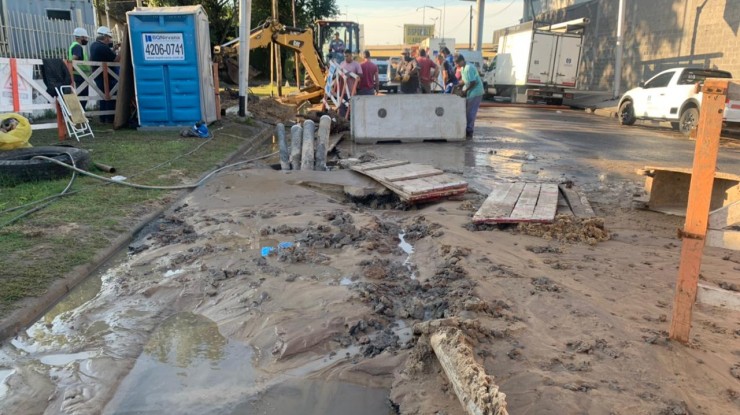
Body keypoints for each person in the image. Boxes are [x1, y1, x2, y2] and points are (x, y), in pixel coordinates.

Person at [89, 26, 120, 123]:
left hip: (98, 75)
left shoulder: (93, 45)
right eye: (109, 37)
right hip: (106, 76)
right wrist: (122, 51)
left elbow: (106, 56)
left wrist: (113, 49)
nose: (110, 39)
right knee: (109, 96)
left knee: (102, 96)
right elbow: (115, 60)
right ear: (105, 37)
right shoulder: (103, 47)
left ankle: (103, 118)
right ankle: (110, 118)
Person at [456, 54, 484, 139]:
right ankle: (467, 129)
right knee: (467, 111)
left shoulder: (469, 68)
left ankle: (469, 131)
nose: (456, 64)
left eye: (457, 62)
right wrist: (458, 85)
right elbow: (465, 80)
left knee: (471, 112)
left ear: (462, 61)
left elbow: (473, 82)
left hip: (476, 92)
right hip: (471, 92)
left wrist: (465, 91)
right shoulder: (462, 68)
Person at [68, 27, 90, 109]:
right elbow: (75, 58)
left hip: (78, 74)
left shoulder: (73, 45)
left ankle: (81, 114)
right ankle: (81, 114)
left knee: (82, 96)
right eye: (85, 38)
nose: (86, 39)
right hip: (80, 75)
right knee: (83, 96)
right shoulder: (77, 47)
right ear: (81, 37)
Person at [338, 50, 362, 117]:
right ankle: (342, 121)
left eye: (347, 56)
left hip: (352, 90)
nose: (346, 58)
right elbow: (338, 73)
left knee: (352, 108)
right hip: (343, 90)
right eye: (345, 56)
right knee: (342, 108)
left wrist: (351, 74)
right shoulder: (342, 63)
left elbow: (361, 75)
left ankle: (351, 121)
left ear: (351, 56)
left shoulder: (356, 64)